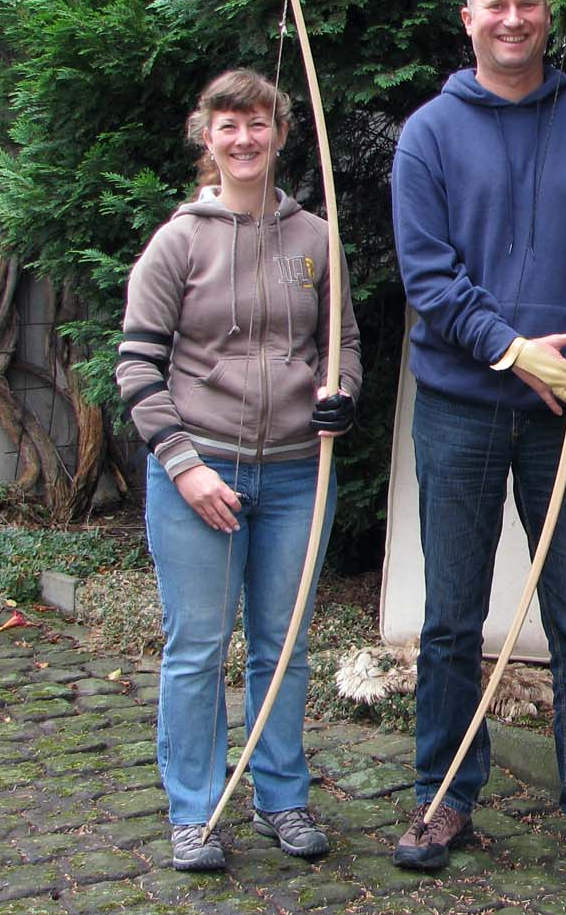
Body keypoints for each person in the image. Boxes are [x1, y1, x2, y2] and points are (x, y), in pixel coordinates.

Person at [390, 0, 566, 878]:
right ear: (468, 20)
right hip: (463, 406)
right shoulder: (428, 135)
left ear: (548, 13)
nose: (514, 19)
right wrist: (515, 351)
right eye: (495, 5)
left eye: (528, 4)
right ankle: (444, 798)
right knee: (450, 621)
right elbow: (429, 280)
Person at [117, 69, 362, 871]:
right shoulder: (178, 242)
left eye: (258, 123)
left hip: (296, 475)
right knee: (197, 648)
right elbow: (137, 366)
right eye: (229, 125)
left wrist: (340, 392)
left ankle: (281, 799)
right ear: (207, 136)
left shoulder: (315, 238)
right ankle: (195, 812)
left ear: (281, 134)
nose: (245, 138)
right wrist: (184, 468)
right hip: (199, 475)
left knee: (282, 648)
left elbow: (341, 343)